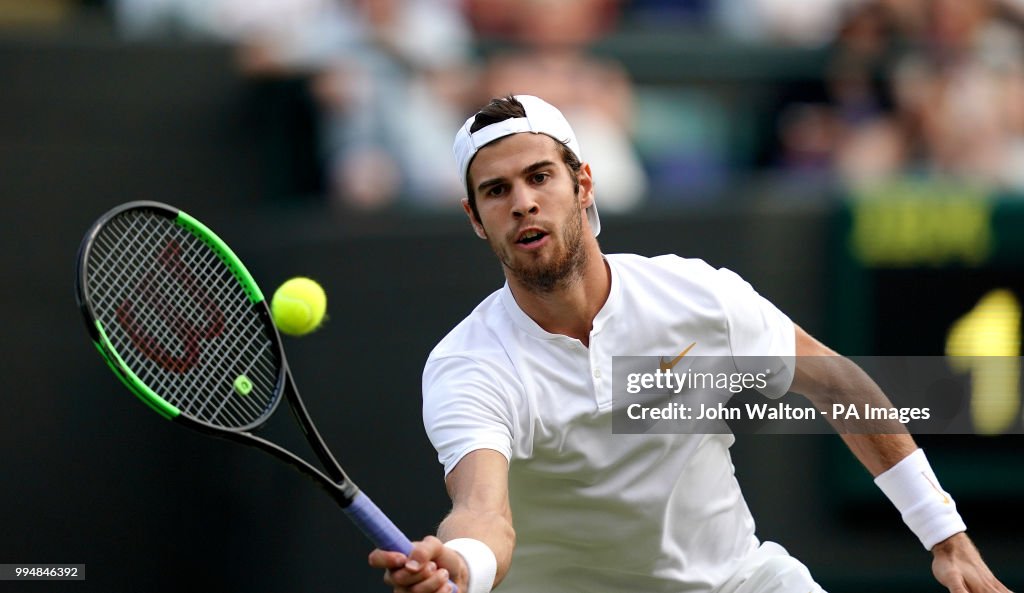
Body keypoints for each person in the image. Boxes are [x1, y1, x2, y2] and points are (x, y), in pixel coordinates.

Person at [367, 95, 1011, 593]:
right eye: (497, 191)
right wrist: (459, 565)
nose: (524, 203)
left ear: (583, 185)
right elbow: (484, 513)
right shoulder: (470, 365)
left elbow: (839, 385)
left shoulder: (695, 295)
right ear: (475, 219)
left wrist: (945, 538)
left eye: (541, 178)